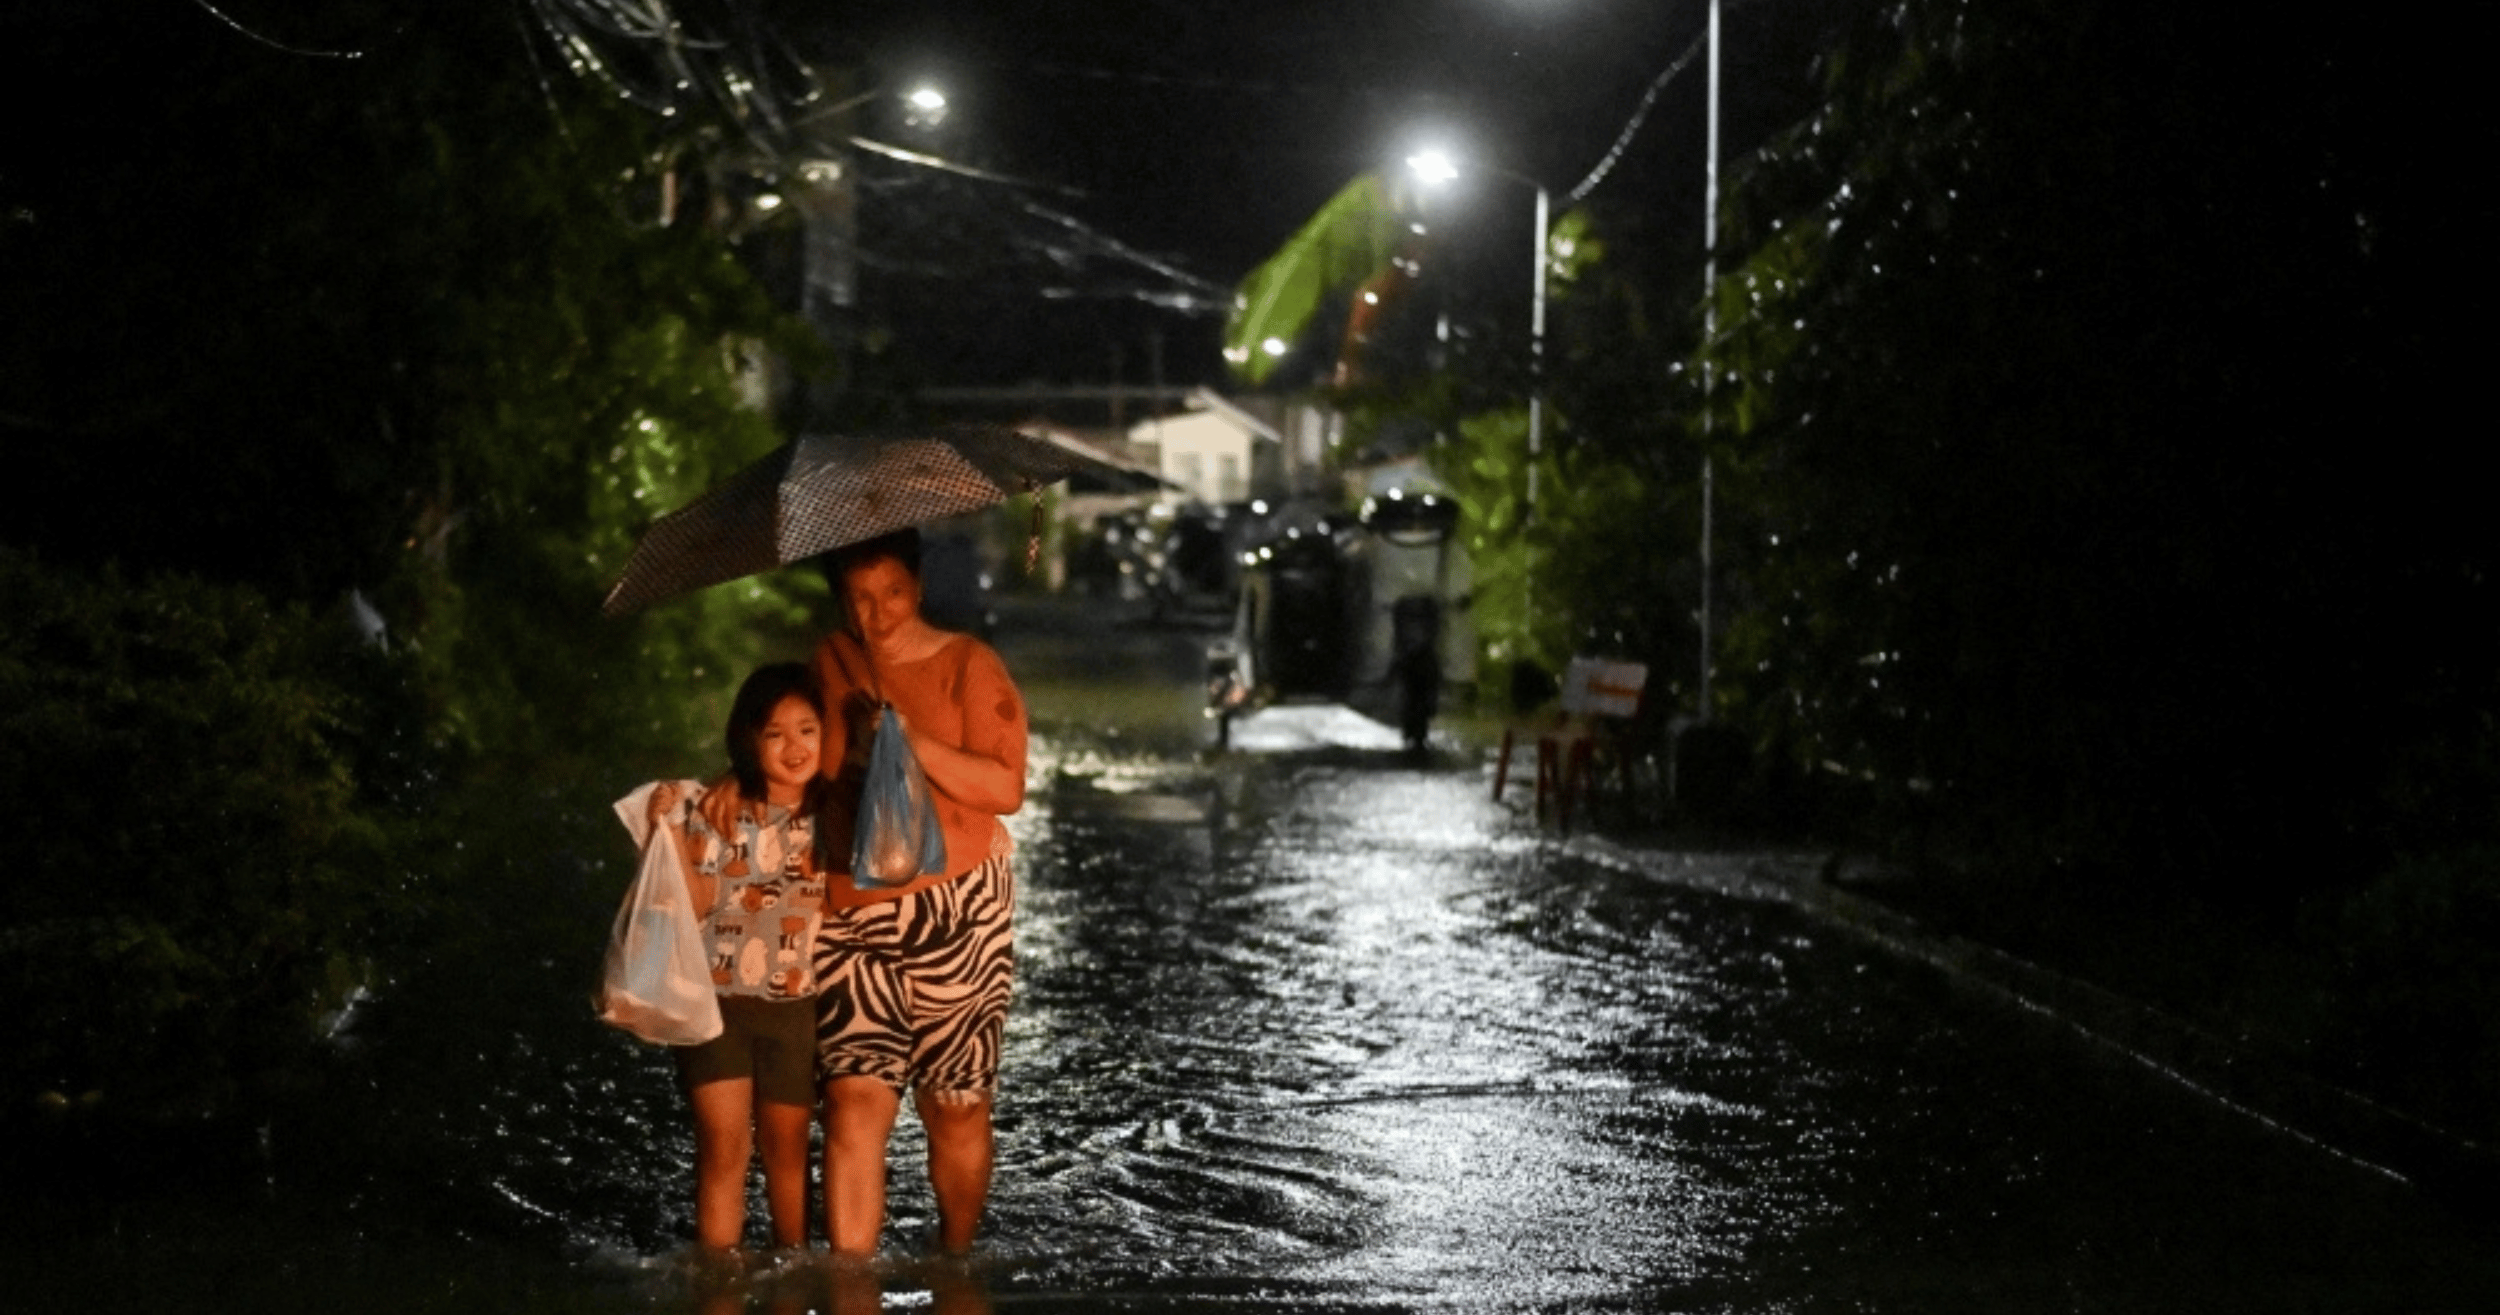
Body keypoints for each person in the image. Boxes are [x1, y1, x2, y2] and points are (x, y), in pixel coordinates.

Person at [703, 527, 1027, 1258]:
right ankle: (851, 1283)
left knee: (955, 1105)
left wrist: (912, 740)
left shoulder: (971, 665)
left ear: (918, 585)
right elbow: (802, 752)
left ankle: (956, 1265)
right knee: (851, 1100)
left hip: (960, 914)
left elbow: (1005, 788)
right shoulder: (834, 661)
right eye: (859, 598)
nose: (876, 614)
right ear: (839, 600)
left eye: (892, 593)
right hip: (850, 911)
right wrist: (737, 780)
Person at [645, 662, 831, 1254]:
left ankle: (792, 1266)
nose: (794, 747)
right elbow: (695, 903)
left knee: (787, 1148)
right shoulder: (718, 810)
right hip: (714, 1006)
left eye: (807, 730)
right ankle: (717, 1279)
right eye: (775, 734)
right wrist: (669, 831)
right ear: (749, 740)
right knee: (723, 1148)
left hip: (794, 1008)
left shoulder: (836, 815)